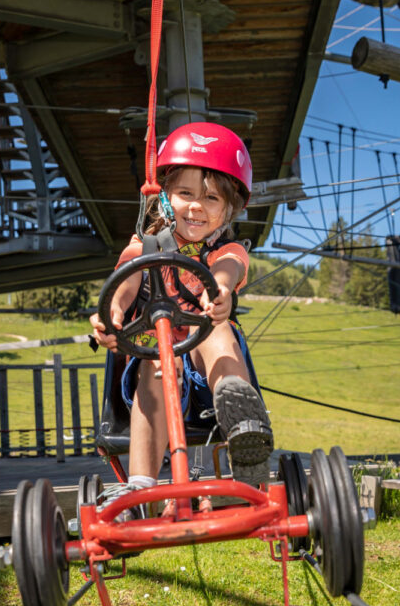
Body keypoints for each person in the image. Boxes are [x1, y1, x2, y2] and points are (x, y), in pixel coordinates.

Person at [90, 122, 271, 516]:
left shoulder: (226, 249)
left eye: (211, 198)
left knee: (216, 329)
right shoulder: (146, 245)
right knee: (158, 360)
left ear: (228, 209)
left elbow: (229, 267)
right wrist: (115, 310)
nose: (196, 206)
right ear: (166, 198)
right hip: (160, 354)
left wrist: (219, 290)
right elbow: (128, 277)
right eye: (186, 193)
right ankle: (140, 485)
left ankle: (241, 419)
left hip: (207, 377)